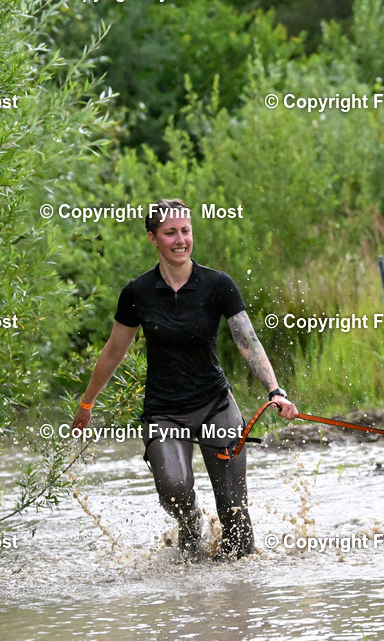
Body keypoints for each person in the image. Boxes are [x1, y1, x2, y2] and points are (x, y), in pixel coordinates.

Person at [71, 198, 298, 560]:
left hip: (216, 406)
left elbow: (247, 341)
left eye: (186, 231)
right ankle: (192, 526)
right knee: (174, 490)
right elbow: (114, 351)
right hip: (164, 412)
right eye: (170, 232)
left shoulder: (218, 285)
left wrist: (275, 391)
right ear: (153, 238)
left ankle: (240, 588)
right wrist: (87, 402)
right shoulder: (137, 293)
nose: (180, 240)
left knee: (234, 512)